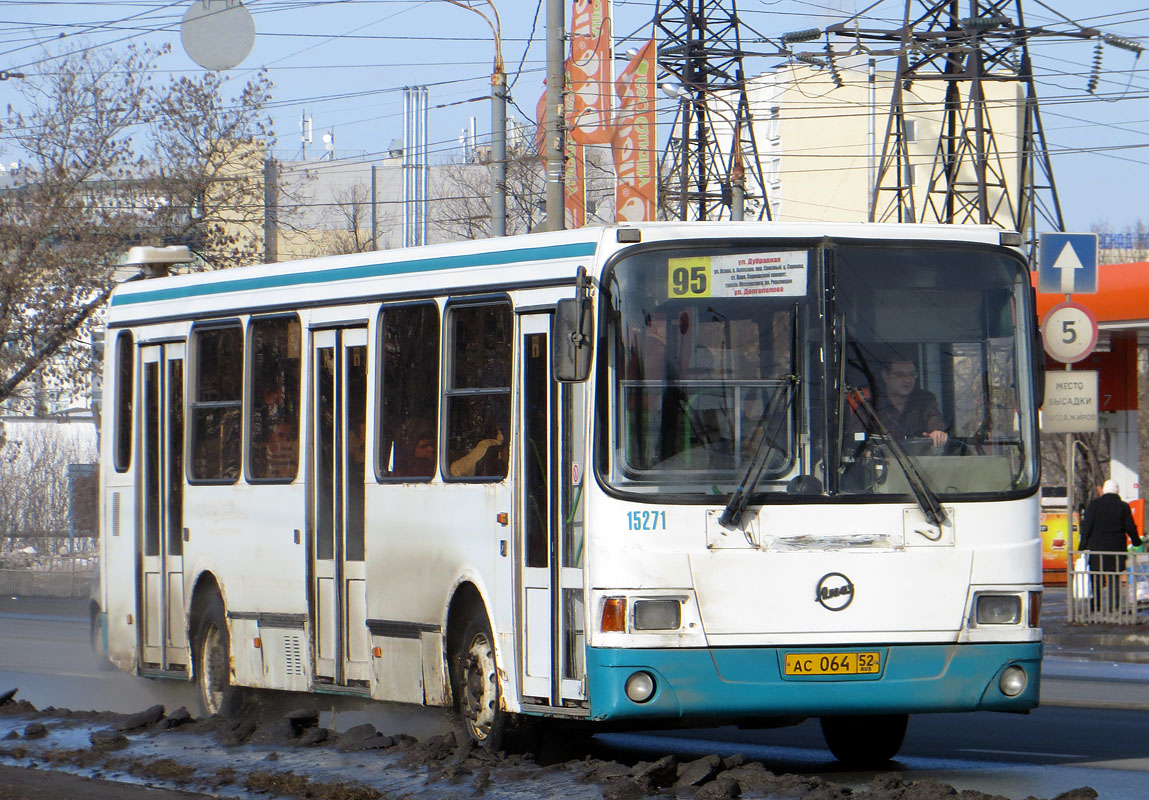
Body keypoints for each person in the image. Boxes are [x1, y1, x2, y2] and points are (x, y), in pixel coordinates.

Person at [1079, 479, 1142, 614]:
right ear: (1117, 491)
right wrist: (1137, 541)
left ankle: (1096, 607)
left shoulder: (1094, 505)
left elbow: (1087, 526)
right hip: (1116, 550)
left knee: (1097, 578)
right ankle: (1115, 607)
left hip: (1097, 549)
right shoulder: (1123, 506)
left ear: (1104, 490)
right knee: (1114, 578)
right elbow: (1130, 527)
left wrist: (1082, 545)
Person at [856, 359, 948, 447]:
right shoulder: (870, 405)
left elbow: (933, 416)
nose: (908, 380)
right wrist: (866, 451)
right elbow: (855, 439)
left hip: (919, 460)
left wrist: (936, 432)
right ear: (886, 376)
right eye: (900, 375)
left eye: (911, 374)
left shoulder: (925, 399)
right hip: (883, 461)